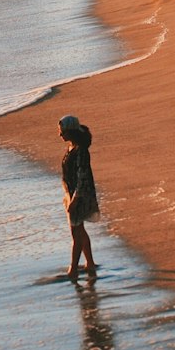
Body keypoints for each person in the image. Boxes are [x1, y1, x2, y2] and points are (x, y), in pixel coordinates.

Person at [59, 114, 99, 278]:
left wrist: (74, 200)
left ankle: (73, 269)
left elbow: (83, 176)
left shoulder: (81, 151)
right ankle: (89, 263)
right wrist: (68, 195)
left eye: (62, 132)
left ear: (71, 131)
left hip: (80, 196)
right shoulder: (71, 149)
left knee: (76, 233)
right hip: (71, 194)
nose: (60, 135)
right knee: (80, 230)